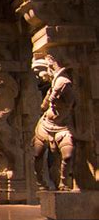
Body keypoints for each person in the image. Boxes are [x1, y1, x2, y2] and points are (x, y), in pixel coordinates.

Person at [31, 55, 75, 191]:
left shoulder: (64, 83)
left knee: (67, 155)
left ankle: (63, 181)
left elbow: (71, 101)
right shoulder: (52, 88)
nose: (41, 77)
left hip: (62, 127)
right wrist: (49, 97)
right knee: (37, 155)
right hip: (45, 125)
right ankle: (40, 180)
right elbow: (43, 107)